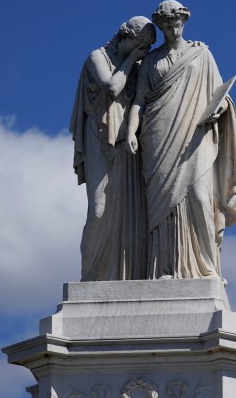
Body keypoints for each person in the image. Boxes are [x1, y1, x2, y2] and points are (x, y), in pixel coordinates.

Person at [125, 0, 236, 279]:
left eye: (176, 23)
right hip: (157, 136)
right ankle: (164, 268)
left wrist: (220, 109)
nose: (172, 29)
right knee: (161, 205)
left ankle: (204, 267)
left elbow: (222, 95)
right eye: (166, 25)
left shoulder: (202, 55)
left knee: (201, 197)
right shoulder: (150, 62)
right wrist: (131, 131)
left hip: (196, 136)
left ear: (184, 22)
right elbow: (139, 101)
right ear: (160, 26)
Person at [70, 16, 156, 281]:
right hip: (99, 137)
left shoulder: (139, 64)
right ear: (126, 37)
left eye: (148, 48)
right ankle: (91, 276)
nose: (145, 52)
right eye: (141, 45)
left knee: (129, 210)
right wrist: (132, 60)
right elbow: (111, 87)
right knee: (99, 208)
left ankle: (126, 276)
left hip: (127, 142)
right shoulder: (97, 57)